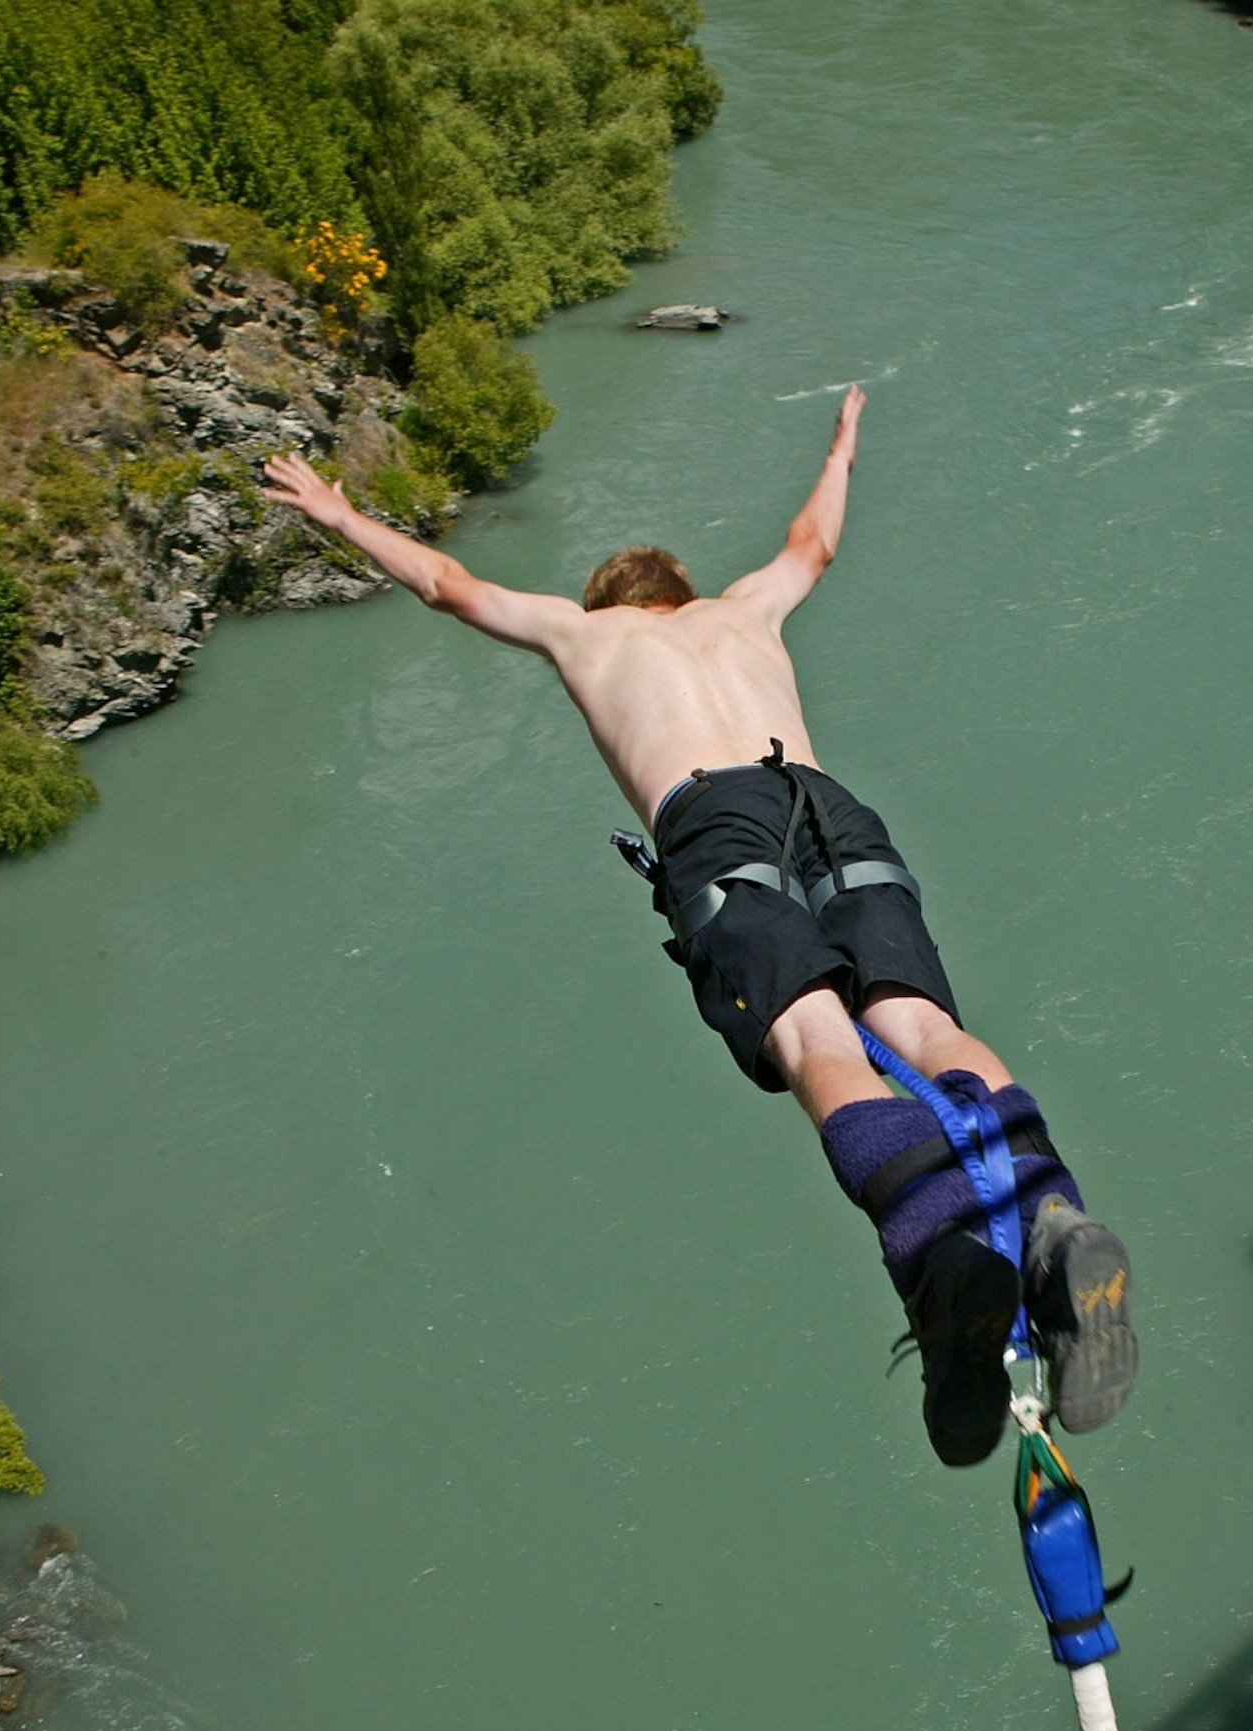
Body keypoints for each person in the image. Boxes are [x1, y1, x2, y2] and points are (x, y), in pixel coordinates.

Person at [260, 387, 1135, 1466]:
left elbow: (450, 584)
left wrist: (339, 515)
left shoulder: (586, 631)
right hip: (828, 802)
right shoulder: (746, 610)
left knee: (819, 1041)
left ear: (617, 600)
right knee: (918, 1023)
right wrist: (844, 442)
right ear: (682, 591)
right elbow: (811, 542)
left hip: (714, 823)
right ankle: (1053, 1219)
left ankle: (940, 1253)